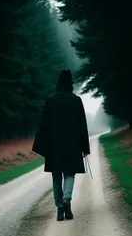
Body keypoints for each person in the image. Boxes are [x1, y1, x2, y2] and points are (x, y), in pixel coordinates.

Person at [32, 70, 90, 221]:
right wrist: (85, 148)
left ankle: (59, 210)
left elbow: (43, 125)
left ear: (58, 84)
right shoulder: (76, 100)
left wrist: (42, 146)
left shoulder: (50, 100)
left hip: (54, 146)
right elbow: (82, 125)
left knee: (56, 176)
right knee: (70, 173)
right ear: (70, 85)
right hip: (72, 144)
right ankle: (67, 199)